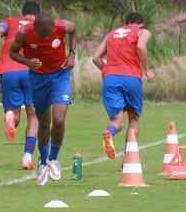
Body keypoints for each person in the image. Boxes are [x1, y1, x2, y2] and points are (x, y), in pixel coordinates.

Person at [10, 14, 76, 186]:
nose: (47, 37)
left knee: (59, 119)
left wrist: (72, 53)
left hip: (60, 76)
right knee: (44, 121)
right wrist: (27, 62)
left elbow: (73, 29)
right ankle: (43, 160)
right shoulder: (24, 33)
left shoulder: (62, 26)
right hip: (38, 79)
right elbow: (12, 52)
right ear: (35, 28)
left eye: (49, 33)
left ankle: (53, 159)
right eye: (43, 34)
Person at [91, 12, 154, 159]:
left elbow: (95, 58)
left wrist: (108, 71)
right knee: (134, 119)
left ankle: (110, 132)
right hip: (131, 78)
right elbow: (140, 46)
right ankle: (128, 159)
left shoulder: (111, 34)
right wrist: (147, 70)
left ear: (125, 23)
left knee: (117, 121)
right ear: (141, 24)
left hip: (111, 79)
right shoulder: (142, 31)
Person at [0, 2, 39, 170]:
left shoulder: (10, 22)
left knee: (15, 112)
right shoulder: (38, 25)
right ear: (37, 15)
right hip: (30, 71)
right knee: (34, 115)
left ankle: (10, 115)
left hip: (8, 70)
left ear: (23, 13)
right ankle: (27, 156)